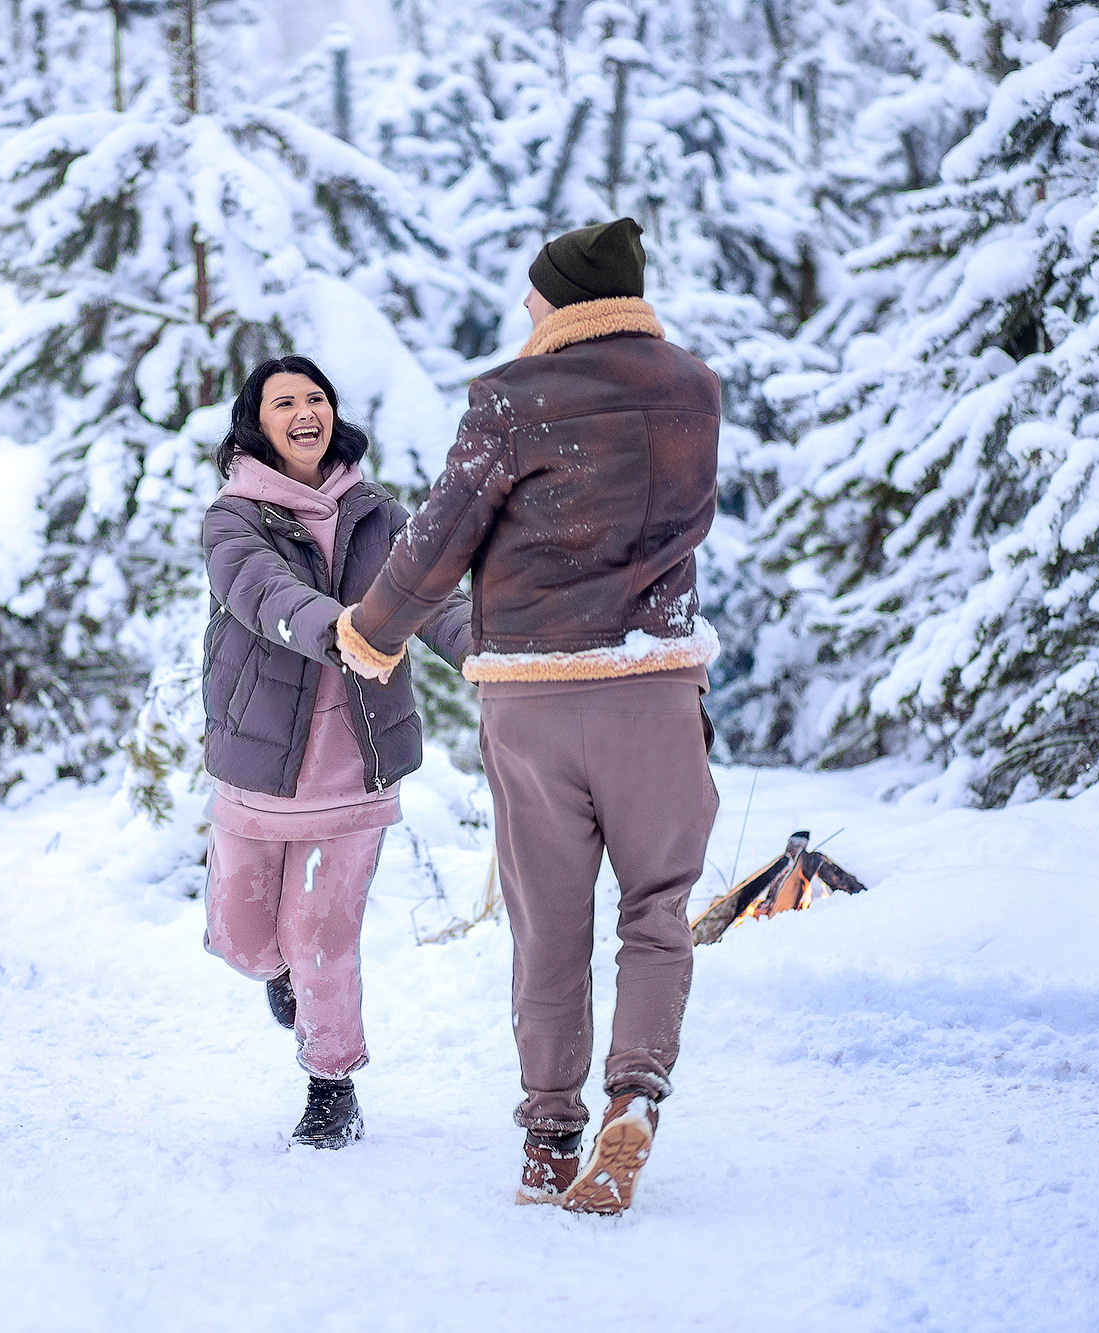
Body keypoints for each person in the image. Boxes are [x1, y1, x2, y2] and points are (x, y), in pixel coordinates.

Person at [336, 219, 721, 1213]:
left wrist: (372, 633)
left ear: (570, 301)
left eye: (535, 292)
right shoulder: (692, 388)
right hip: (655, 684)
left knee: (549, 926)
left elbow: (437, 539)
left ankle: (548, 1139)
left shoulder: (512, 401)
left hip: (536, 699)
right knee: (655, 913)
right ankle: (632, 1097)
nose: (523, 308)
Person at [200, 355, 472, 1149]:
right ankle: (281, 976)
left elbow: (430, 597)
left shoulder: (376, 513)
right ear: (257, 422)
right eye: (284, 401)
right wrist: (343, 631)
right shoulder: (232, 518)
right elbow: (261, 594)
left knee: (323, 936)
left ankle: (331, 1082)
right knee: (248, 940)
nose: (304, 410)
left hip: (355, 767)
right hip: (257, 766)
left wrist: (484, 652)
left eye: (315, 397)